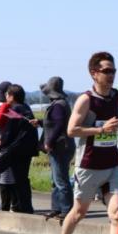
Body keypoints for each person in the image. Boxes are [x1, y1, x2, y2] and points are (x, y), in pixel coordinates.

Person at [53, 53, 118, 234]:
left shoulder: (115, 96)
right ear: (94, 73)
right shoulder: (86, 100)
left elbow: (116, 120)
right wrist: (101, 130)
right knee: (79, 212)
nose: (111, 75)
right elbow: (71, 130)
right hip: (88, 165)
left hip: (113, 164)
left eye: (113, 71)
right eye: (106, 71)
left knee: (117, 214)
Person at [0, 84, 39, 214]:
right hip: (27, 149)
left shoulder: (14, 109)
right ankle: (26, 208)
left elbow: (9, 132)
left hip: (14, 148)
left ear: (11, 96)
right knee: (21, 179)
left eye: (7, 95)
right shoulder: (26, 107)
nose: (5, 97)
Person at [40, 77, 75, 220]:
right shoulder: (61, 103)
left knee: (61, 181)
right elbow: (55, 123)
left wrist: (49, 142)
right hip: (63, 146)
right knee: (56, 180)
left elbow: (59, 124)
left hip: (60, 147)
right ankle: (56, 208)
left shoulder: (58, 105)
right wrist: (40, 122)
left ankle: (66, 210)